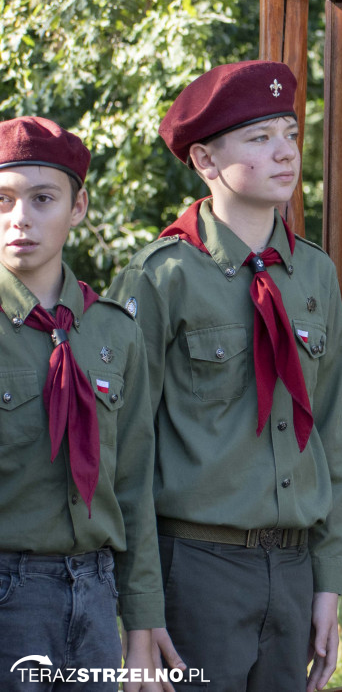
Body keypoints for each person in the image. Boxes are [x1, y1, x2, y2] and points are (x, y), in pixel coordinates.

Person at [106, 61, 342, 692]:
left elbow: (327, 435)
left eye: (290, 133)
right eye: (259, 137)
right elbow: (126, 453)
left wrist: (327, 585)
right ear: (206, 162)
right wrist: (142, 608)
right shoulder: (162, 277)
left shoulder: (314, 276)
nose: (285, 153)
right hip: (197, 567)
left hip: (293, 570)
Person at [0, 116, 163, 690]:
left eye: (43, 198)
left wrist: (141, 627)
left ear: (78, 206)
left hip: (95, 595)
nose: (20, 217)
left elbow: (135, 485)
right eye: (3, 199)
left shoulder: (113, 332)